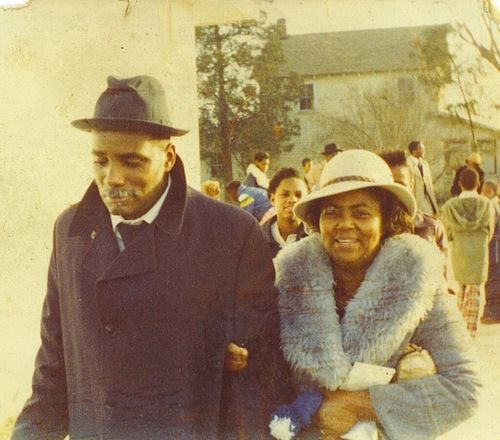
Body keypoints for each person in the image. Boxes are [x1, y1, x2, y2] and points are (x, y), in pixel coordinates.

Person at [12, 75, 290, 439]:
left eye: (132, 161)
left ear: (169, 157)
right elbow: (53, 368)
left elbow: (260, 372)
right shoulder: (70, 232)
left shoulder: (231, 234)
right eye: (100, 160)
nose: (112, 177)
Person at [274, 149, 479, 438]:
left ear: (387, 220)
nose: (345, 224)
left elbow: (465, 387)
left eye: (361, 213)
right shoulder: (288, 279)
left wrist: (360, 405)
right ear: (317, 220)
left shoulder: (418, 281)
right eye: (332, 212)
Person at [441, 168, 495, 338]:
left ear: (459, 184)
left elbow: (447, 232)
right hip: (479, 252)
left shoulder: (450, 206)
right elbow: (490, 229)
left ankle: (458, 332)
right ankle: (470, 333)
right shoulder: (486, 204)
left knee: (461, 291)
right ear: (478, 184)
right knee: (475, 293)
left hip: (459, 251)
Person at [261, 168, 309, 258]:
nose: (292, 200)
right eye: (285, 194)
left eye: (298, 195)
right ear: (273, 199)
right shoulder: (257, 237)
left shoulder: (315, 238)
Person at [481, 181, 500, 323]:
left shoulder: (491, 206)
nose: (483, 194)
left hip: (494, 247)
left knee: (492, 278)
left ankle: (492, 313)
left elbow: (489, 227)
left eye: (486, 191)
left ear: (493, 192)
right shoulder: (496, 203)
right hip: (497, 246)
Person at [407, 140, 438, 216]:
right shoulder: (407, 164)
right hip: (415, 201)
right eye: (421, 148)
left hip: (427, 201)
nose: (424, 150)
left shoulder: (425, 164)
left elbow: (430, 185)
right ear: (414, 150)